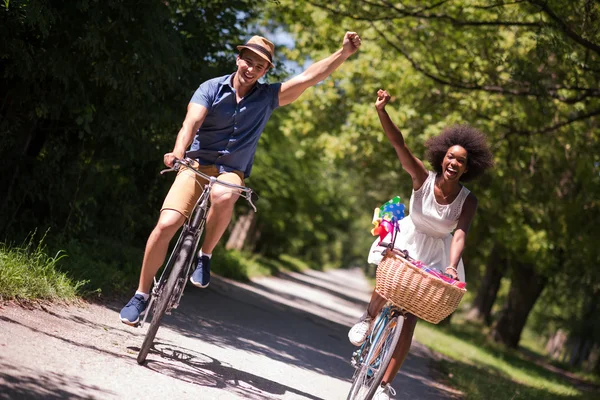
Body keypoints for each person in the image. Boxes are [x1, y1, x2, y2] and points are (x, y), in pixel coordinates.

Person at [119, 32, 362, 325]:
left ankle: (204, 256)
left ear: (265, 71)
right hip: (196, 163)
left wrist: (344, 52)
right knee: (167, 224)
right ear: (239, 59)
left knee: (225, 194)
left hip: (231, 171)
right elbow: (191, 123)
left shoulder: (268, 98)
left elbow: (309, 77)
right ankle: (141, 295)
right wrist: (177, 151)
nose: (252, 69)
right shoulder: (210, 88)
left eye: (259, 66)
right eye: (248, 61)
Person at [348, 89, 494, 399]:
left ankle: (385, 384)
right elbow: (398, 143)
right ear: (442, 158)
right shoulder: (422, 178)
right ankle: (368, 318)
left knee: (411, 318)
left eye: (461, 161)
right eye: (450, 157)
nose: (454, 163)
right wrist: (382, 111)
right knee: (387, 282)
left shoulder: (468, 200)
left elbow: (460, 232)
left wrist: (452, 266)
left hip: (437, 251)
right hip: (407, 236)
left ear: (468, 168)